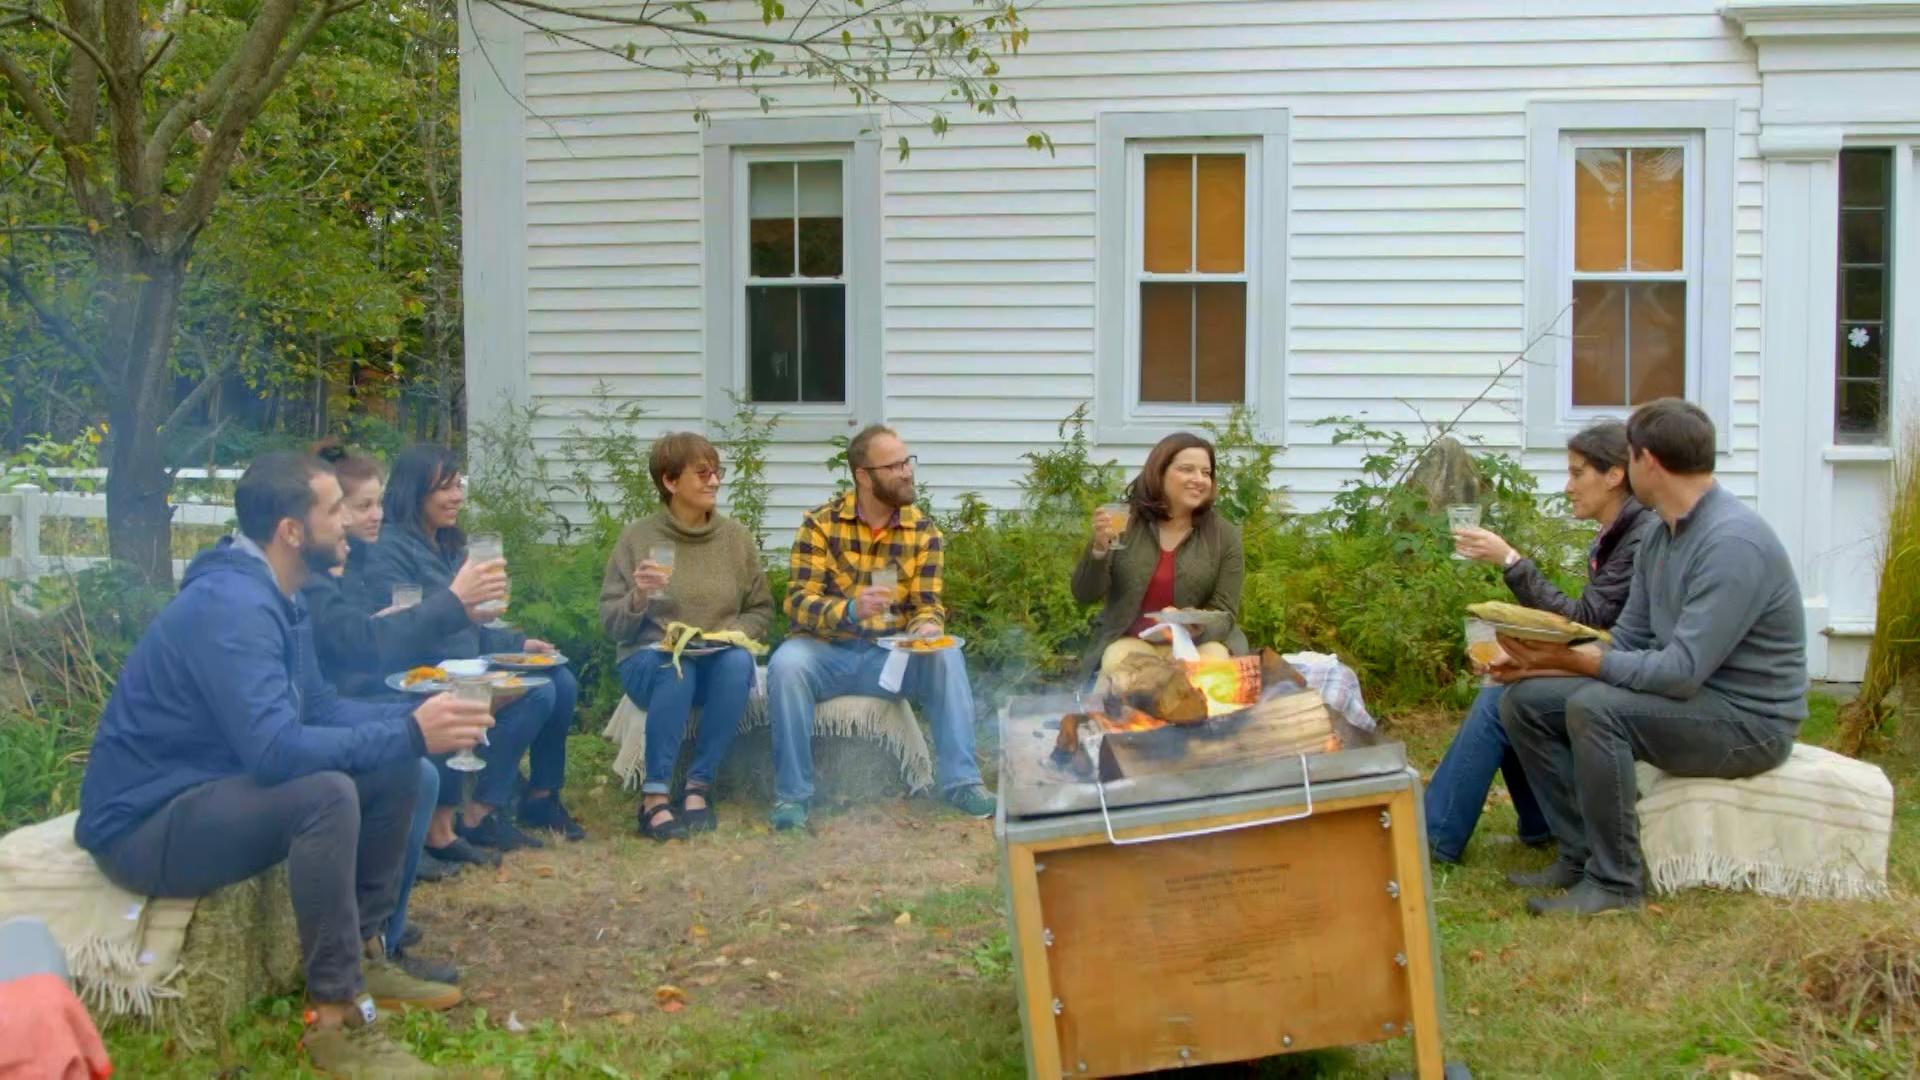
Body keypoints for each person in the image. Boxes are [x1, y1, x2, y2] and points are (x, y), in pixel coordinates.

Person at [74, 452, 495, 1077]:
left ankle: (367, 953)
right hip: (143, 823)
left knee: (399, 766)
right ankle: (336, 1018)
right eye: (335, 510)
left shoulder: (279, 594)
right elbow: (274, 752)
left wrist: (416, 721)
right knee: (326, 795)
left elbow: (320, 709)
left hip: (209, 788)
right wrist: (409, 731)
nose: (349, 522)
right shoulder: (234, 607)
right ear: (292, 531)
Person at [1495, 399, 1807, 916]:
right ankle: (1580, 854)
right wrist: (1539, 663)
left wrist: (1579, 664)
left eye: (1629, 455)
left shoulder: (1732, 543)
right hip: (1697, 700)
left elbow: (1681, 672)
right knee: (1526, 702)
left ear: (1649, 462)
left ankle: (1616, 882)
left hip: (1750, 722)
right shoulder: (1659, 536)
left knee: (1597, 709)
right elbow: (1629, 639)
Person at [303, 444, 507, 983]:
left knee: (423, 752)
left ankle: (382, 930)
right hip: (327, 716)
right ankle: (376, 938)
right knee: (412, 763)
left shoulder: (347, 564)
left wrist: (409, 711)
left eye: (373, 504)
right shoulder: (303, 582)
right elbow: (356, 647)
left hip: (354, 698)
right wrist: (452, 602)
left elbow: (355, 652)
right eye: (353, 507)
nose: (369, 517)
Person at [1425, 421, 1654, 865]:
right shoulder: (1619, 531)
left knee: (1499, 699)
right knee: (1506, 682)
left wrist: (1511, 561)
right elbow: (1591, 621)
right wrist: (1522, 646)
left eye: (1577, 473)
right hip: (1609, 658)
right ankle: (1540, 821)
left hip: (1631, 671)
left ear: (1614, 475)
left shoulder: (1640, 535)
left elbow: (1588, 621)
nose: (1568, 487)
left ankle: (1434, 837)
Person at [764, 425, 995, 831]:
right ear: (863, 476)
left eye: (907, 462)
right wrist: (850, 609)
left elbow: (927, 605)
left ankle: (962, 783)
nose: (907, 472)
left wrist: (926, 627)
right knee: (786, 664)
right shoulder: (820, 525)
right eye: (894, 466)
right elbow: (797, 602)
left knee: (946, 654)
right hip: (826, 653)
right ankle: (792, 797)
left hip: (891, 658)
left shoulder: (923, 532)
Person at [360, 444, 585, 861]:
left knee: (562, 679)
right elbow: (407, 626)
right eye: (445, 488)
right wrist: (459, 603)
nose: (457, 497)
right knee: (538, 691)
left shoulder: (448, 544)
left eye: (458, 485)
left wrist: (517, 645)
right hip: (423, 669)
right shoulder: (389, 548)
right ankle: (480, 811)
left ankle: (541, 795)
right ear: (414, 492)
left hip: (464, 661)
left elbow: (469, 624)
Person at [600, 433, 772, 841]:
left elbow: (761, 609)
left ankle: (698, 786)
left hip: (715, 657)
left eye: (717, 472)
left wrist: (733, 635)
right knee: (676, 668)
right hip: (650, 659)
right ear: (670, 481)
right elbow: (612, 623)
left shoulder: (735, 539)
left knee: (737, 663)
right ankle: (654, 798)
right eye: (703, 473)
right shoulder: (638, 538)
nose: (715, 481)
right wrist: (639, 596)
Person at [1071, 432, 1245, 682]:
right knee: (1120, 664)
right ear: (1159, 472)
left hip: (1197, 643)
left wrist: (1196, 625)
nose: (1199, 479)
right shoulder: (1122, 522)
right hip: (1132, 641)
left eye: (1206, 473)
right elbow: (1084, 594)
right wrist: (1099, 549)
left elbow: (1225, 611)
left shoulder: (1224, 535)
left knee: (1213, 666)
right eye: (1187, 469)